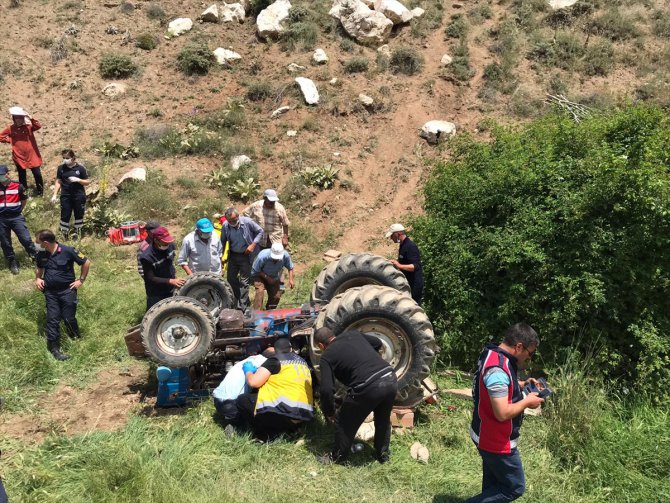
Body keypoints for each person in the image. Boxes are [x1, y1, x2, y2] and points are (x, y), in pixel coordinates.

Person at [466, 323, 545, 503]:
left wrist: (523, 385)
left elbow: (496, 386)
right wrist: (527, 401)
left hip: (483, 431)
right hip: (495, 440)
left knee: (493, 485)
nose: (529, 358)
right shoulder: (498, 370)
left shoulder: (492, 353)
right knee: (513, 487)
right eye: (530, 353)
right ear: (518, 346)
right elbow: (502, 413)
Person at [313, 327, 398, 465]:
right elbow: (377, 342)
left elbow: (327, 389)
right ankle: (383, 455)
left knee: (344, 422)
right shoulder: (353, 334)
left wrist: (330, 411)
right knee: (383, 420)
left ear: (321, 345)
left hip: (367, 387)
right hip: (389, 377)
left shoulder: (327, 356)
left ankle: (338, 457)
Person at [236, 338, 314, 440]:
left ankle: (265, 435)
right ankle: (291, 431)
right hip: (304, 414)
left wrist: (248, 371)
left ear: (275, 351)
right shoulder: (303, 362)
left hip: (285, 414)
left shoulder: (275, 360)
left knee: (242, 400)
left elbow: (253, 382)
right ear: (291, 350)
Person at [34, 229, 91, 361]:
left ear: (46, 243)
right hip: (50, 292)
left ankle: (75, 337)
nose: (36, 244)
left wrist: (81, 280)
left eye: (38, 242)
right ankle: (54, 348)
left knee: (68, 318)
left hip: (67, 291)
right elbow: (39, 267)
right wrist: (38, 278)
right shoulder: (41, 254)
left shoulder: (68, 251)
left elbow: (86, 262)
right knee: (52, 319)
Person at [219, 208, 264, 312]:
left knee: (244, 281)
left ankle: (241, 307)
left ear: (238, 217)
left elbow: (260, 231)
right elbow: (222, 241)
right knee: (231, 279)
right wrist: (221, 257)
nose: (232, 223)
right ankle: (240, 299)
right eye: (230, 221)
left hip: (246, 255)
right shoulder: (226, 226)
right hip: (234, 255)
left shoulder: (247, 222)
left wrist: (253, 245)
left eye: (234, 220)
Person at [211, 343, 267, 425]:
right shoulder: (261, 359)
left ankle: (231, 420)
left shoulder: (239, 364)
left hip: (217, 401)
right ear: (259, 352)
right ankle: (237, 423)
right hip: (232, 404)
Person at [0, 164, 37, 274]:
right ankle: (12, 261)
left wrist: (18, 210)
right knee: (5, 242)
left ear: (8, 174)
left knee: (25, 238)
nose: (0, 177)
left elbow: (24, 200)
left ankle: (35, 257)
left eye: (2, 175)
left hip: (16, 217)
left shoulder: (18, 186)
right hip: (1, 218)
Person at [138, 226, 184, 311]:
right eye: (164, 242)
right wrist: (171, 280)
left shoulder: (170, 246)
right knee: (155, 315)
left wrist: (174, 277)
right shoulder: (147, 257)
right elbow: (150, 278)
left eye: (168, 242)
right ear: (156, 240)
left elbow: (170, 263)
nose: (167, 244)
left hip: (170, 287)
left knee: (173, 311)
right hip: (156, 292)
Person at [0, 106, 44, 196]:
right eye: (17, 118)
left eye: (21, 118)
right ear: (14, 119)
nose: (19, 120)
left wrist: (31, 118)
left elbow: (38, 126)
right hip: (19, 156)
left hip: (32, 156)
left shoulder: (28, 127)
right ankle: (23, 193)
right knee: (22, 176)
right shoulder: (10, 128)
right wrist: (10, 141)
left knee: (37, 174)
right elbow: (1, 136)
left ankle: (40, 192)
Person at [51, 149, 91, 239]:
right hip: (65, 195)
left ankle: (78, 232)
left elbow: (88, 182)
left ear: (73, 158)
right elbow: (58, 181)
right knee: (65, 214)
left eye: (67, 158)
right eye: (64, 158)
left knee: (79, 214)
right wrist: (54, 195)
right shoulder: (61, 168)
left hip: (78, 195)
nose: (65, 159)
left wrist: (78, 180)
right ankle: (64, 233)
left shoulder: (80, 169)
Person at [386, 223, 424, 305]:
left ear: (398, 234)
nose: (391, 238)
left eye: (392, 235)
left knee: (413, 307)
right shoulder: (403, 245)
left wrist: (399, 265)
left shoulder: (410, 246)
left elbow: (415, 266)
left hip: (414, 285)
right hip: (408, 283)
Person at [251, 242, 294, 311]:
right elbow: (255, 270)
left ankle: (269, 311)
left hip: (273, 276)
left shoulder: (285, 256)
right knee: (260, 291)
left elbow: (290, 267)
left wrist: (291, 280)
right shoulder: (262, 256)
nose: (276, 259)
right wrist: (267, 278)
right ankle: (256, 313)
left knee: (276, 296)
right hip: (259, 276)